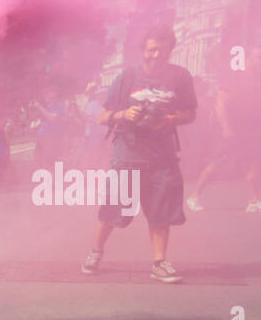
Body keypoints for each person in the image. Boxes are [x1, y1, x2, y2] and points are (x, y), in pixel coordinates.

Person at [81, 24, 197, 283]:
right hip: (128, 154)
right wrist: (125, 114)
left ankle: (159, 263)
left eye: (162, 50)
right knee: (114, 208)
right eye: (151, 50)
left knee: (161, 210)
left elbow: (191, 114)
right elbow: (102, 116)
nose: (156, 55)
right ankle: (96, 251)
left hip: (163, 156)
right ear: (143, 50)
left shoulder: (180, 77)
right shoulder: (127, 78)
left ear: (170, 50)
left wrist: (169, 118)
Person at [190, 47, 261, 213]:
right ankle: (193, 196)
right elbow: (220, 103)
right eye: (259, 57)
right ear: (248, 58)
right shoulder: (235, 77)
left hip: (252, 128)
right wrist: (226, 127)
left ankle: (254, 200)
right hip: (234, 127)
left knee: (254, 162)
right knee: (218, 162)